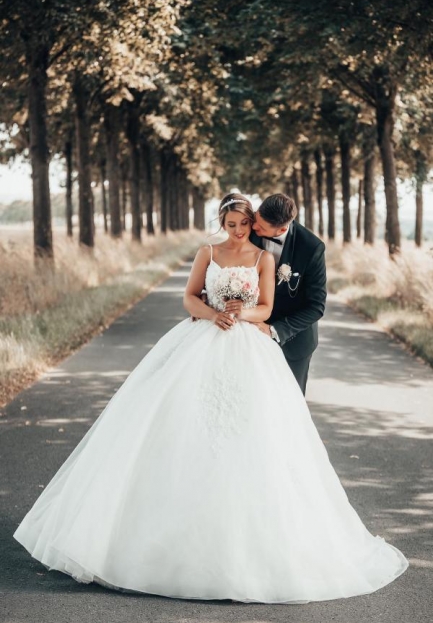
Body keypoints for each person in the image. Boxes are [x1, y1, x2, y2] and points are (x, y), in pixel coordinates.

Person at [13, 192, 408, 604]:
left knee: (272, 433)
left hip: (268, 342)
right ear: (233, 219)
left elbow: (281, 306)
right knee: (182, 422)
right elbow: (189, 297)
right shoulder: (210, 249)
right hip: (204, 339)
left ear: (276, 227)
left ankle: (269, 533)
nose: (244, 230)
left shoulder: (288, 253)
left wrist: (246, 314)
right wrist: (212, 310)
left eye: (249, 225)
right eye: (238, 223)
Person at [250, 194, 326, 395]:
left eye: (261, 228)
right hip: (249, 337)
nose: (254, 228)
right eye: (256, 219)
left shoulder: (311, 248)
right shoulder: (249, 228)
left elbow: (316, 306)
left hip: (293, 342)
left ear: (282, 229)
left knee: (290, 403)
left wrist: (274, 330)